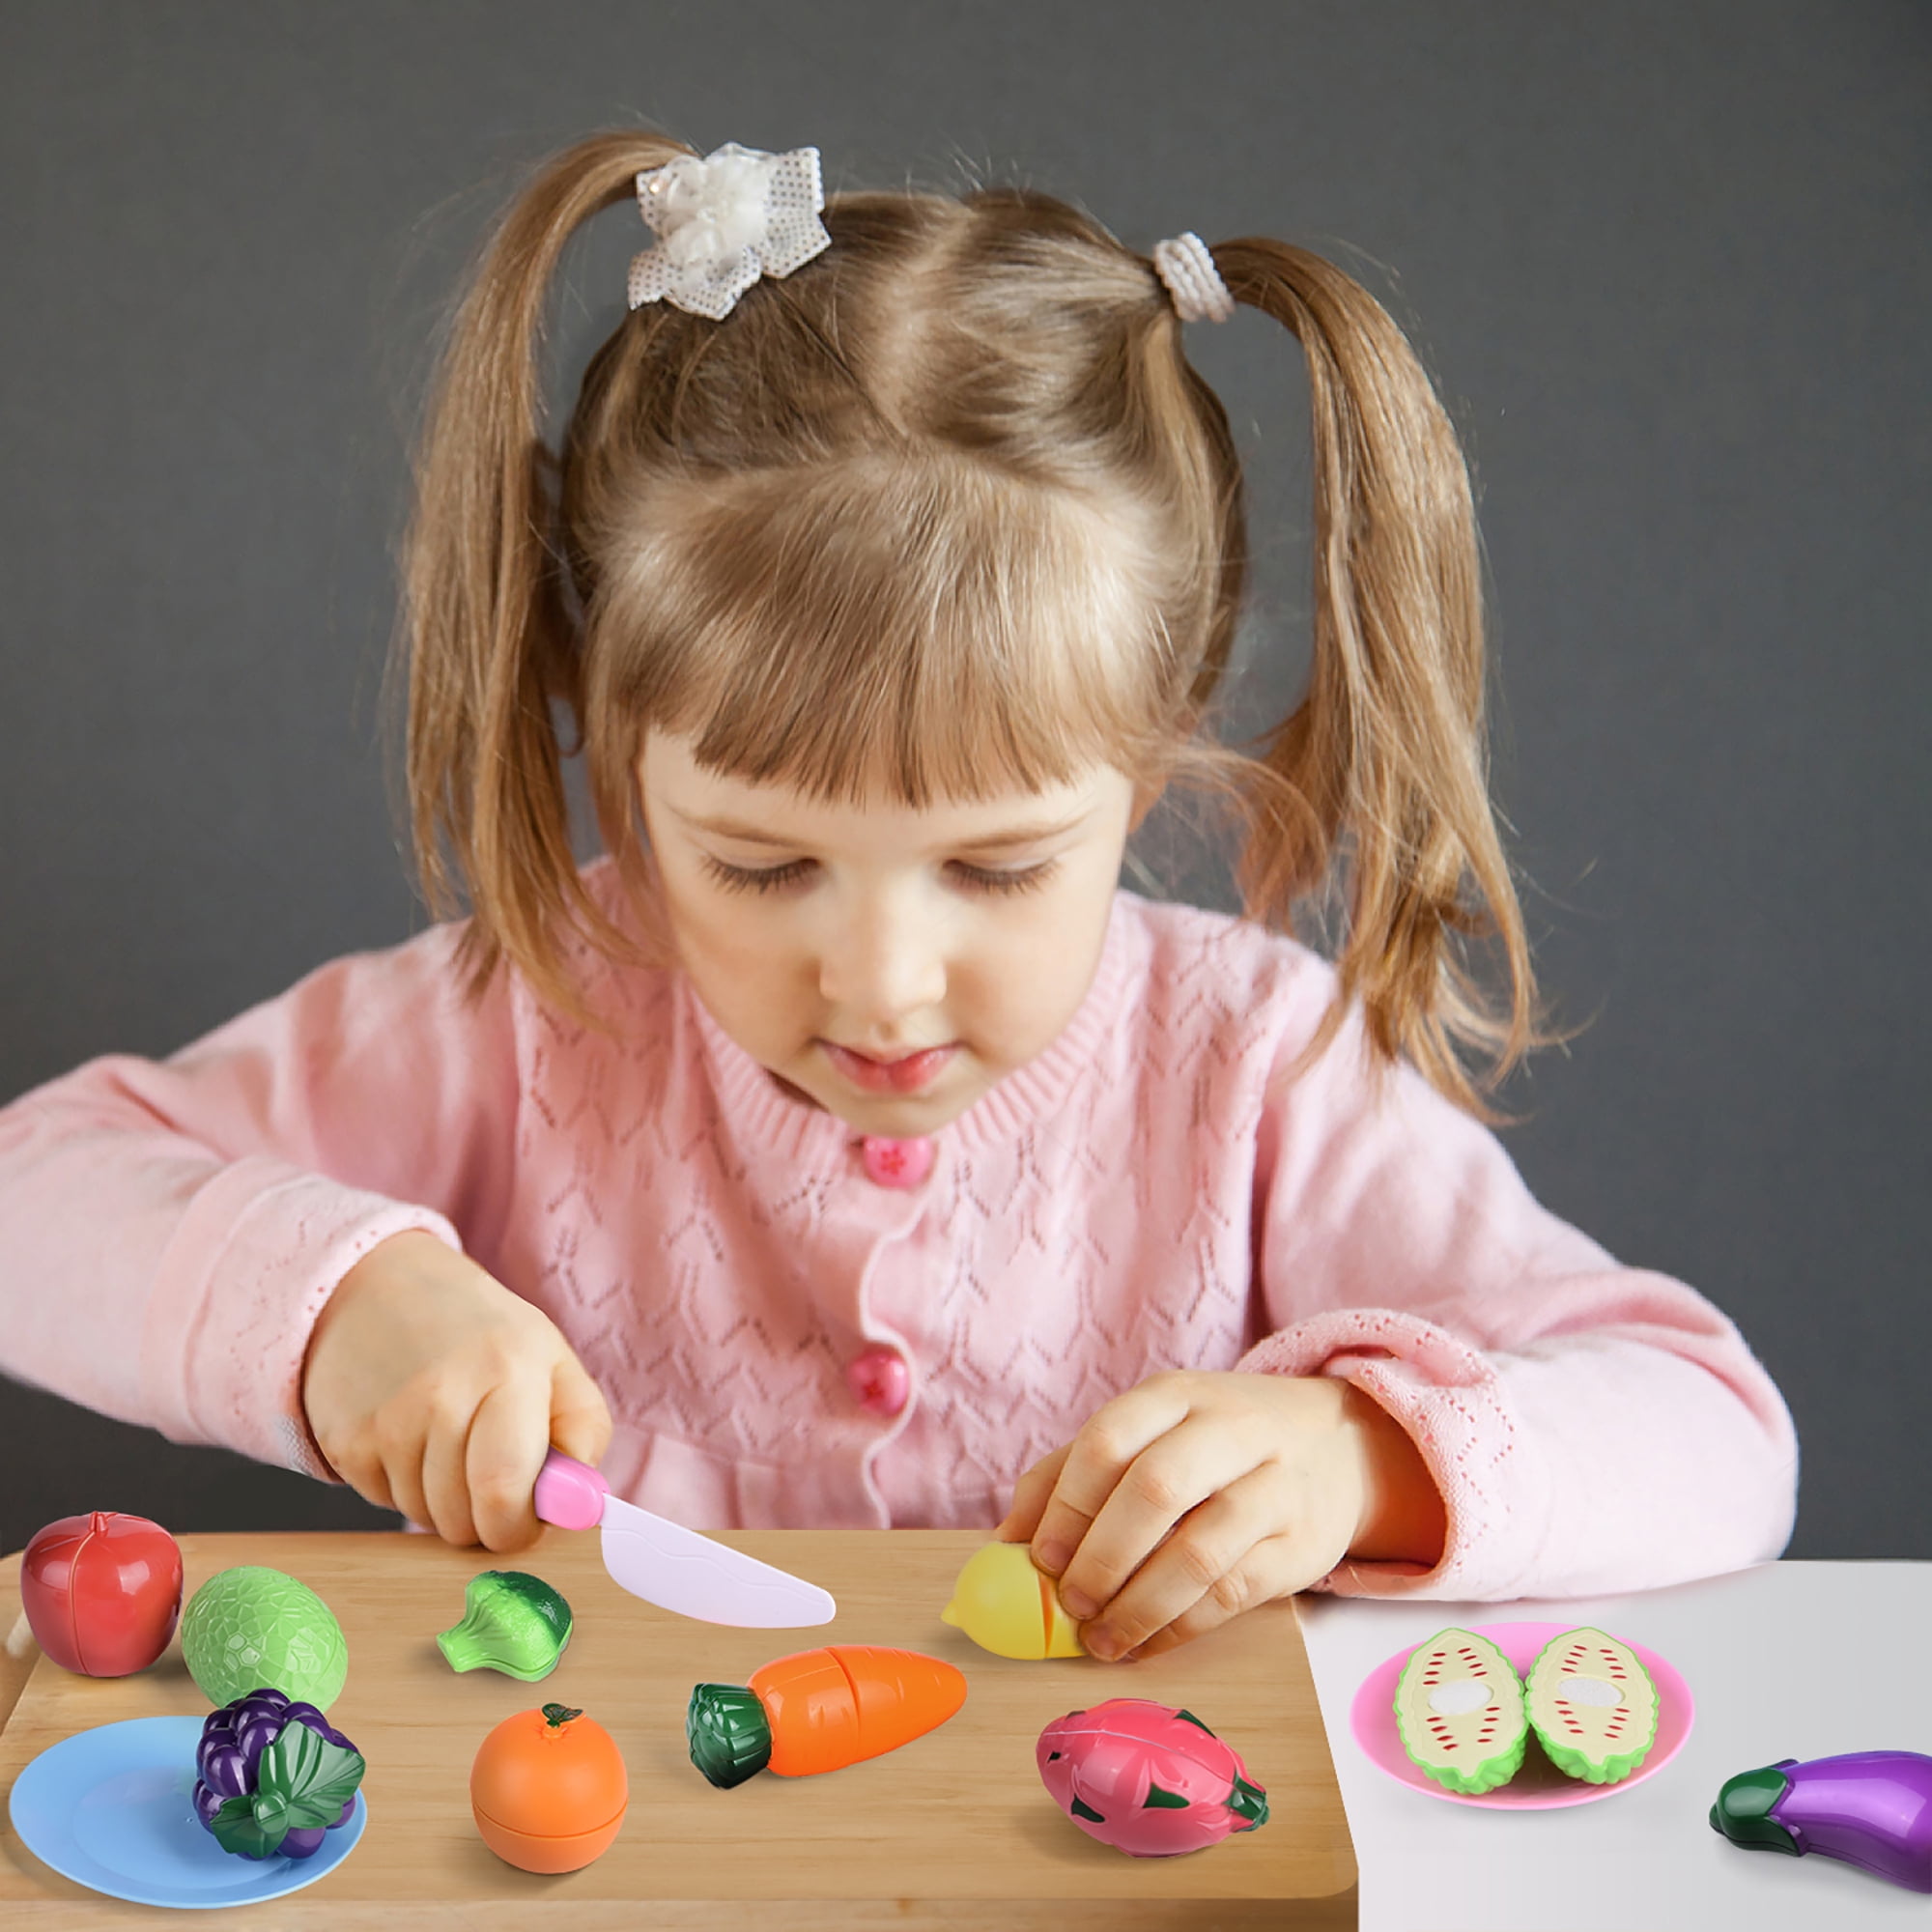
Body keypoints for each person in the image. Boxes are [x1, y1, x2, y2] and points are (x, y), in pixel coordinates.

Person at [0, 132, 1795, 1663]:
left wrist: (1367, 1463)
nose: (881, 981)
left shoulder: (1249, 1064)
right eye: (762, 862)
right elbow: (33, 1201)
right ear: (610, 743)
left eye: (999, 865)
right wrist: (337, 1307)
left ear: (1154, 752)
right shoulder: (534, 1008)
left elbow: (1718, 1438)